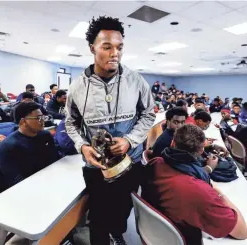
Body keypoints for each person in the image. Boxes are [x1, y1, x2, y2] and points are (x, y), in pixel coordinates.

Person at [65, 16, 155, 245]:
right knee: (97, 215)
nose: (115, 53)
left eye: (119, 47)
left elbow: (148, 114)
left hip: (130, 163)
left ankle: (117, 233)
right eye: (107, 47)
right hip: (96, 167)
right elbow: (71, 123)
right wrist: (82, 146)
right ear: (92, 48)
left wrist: (130, 140)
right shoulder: (76, 87)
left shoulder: (136, 81)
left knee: (123, 207)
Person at [142, 124, 247, 244]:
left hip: (157, 232)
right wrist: (219, 194)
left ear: (172, 143)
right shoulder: (199, 191)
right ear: (201, 150)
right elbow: (242, 232)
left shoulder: (156, 163)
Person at [0, 102, 60, 192]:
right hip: (26, 190)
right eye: (38, 118)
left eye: (43, 117)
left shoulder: (45, 135)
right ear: (23, 121)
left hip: (48, 179)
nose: (43, 121)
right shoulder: (8, 146)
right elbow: (15, 180)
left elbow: (55, 159)